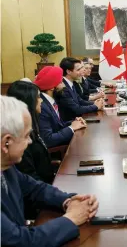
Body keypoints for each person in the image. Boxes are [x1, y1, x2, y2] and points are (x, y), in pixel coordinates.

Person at [1, 95, 99, 247]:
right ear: (6, 143)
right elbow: (20, 241)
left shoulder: (6, 166)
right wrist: (71, 219)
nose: (30, 142)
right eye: (26, 136)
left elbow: (35, 189)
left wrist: (67, 201)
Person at [7, 81, 56, 184]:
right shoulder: (19, 136)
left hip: (47, 183)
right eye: (38, 97)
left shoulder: (34, 122)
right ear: (29, 101)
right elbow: (29, 177)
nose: (42, 100)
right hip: (41, 189)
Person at [34, 66, 87, 148]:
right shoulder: (42, 106)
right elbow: (48, 139)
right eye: (61, 82)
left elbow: (57, 125)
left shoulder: (50, 100)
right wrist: (71, 128)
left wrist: (73, 122)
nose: (64, 86)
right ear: (51, 87)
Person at [58, 57, 104, 121]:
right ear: (68, 71)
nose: (82, 71)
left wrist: (95, 103)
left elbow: (80, 101)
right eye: (78, 69)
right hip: (71, 122)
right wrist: (95, 106)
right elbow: (77, 109)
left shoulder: (71, 83)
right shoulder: (63, 87)